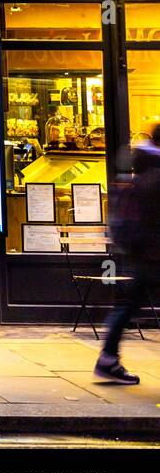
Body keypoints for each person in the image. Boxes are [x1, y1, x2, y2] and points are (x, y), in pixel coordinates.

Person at [96, 127, 160, 384]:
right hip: (153, 254)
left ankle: (108, 359)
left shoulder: (142, 169)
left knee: (127, 306)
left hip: (138, 252)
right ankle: (108, 360)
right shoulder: (155, 173)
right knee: (127, 307)